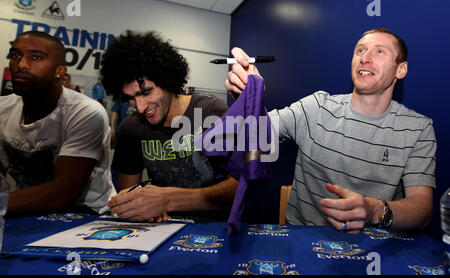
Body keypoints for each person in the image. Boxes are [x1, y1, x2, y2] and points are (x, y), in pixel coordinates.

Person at [225, 28, 436, 233]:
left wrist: (375, 211)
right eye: (360, 50)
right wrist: (248, 99)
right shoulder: (316, 107)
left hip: (376, 250)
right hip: (303, 247)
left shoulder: (418, 128)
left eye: (379, 51)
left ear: (401, 69)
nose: (365, 58)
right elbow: (251, 133)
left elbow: (422, 210)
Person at [101, 30, 238, 222]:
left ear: (167, 80)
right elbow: (128, 195)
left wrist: (170, 199)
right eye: (131, 98)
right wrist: (134, 206)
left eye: (147, 92)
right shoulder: (131, 129)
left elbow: (238, 186)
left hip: (217, 229)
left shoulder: (211, 112)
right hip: (161, 231)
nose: (139, 107)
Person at [0, 31, 115, 216]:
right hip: (27, 214)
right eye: (15, 55)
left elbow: (64, 191)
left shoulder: (84, 111)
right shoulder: (3, 109)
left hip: (85, 215)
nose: (21, 65)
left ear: (59, 71)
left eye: (36, 57)